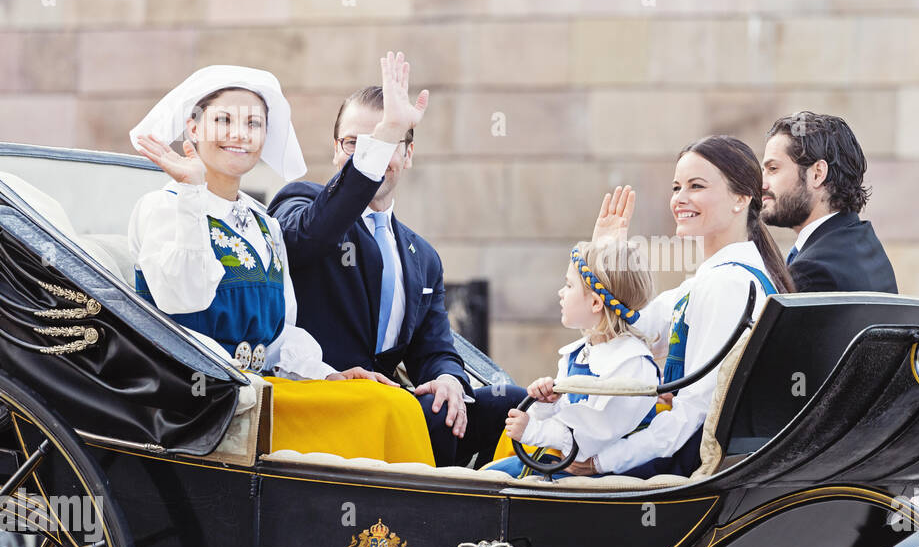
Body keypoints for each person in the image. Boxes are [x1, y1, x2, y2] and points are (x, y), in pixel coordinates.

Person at [128, 63, 435, 464]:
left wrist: (329, 375)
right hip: (199, 407)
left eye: (253, 123)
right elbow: (183, 298)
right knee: (386, 410)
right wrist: (191, 193)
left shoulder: (263, 225)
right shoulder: (163, 208)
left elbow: (280, 335)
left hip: (262, 397)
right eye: (224, 120)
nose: (240, 134)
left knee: (385, 399)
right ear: (194, 127)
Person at [267, 52, 523, 467]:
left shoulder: (421, 256)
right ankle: (436, 522)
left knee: (515, 406)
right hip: (325, 402)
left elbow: (435, 349)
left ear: (408, 154)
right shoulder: (302, 202)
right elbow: (311, 237)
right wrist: (386, 133)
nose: (373, 153)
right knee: (431, 418)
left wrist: (447, 380)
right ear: (337, 151)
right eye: (357, 143)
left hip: (392, 404)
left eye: (388, 142)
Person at [585, 135, 796, 479]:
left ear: (741, 198)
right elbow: (625, 329)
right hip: (674, 452)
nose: (680, 199)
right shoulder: (710, 281)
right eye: (676, 187)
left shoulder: (728, 285)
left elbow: (693, 415)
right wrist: (605, 254)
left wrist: (601, 463)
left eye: (696, 186)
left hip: (682, 469)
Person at [486, 239, 659, 479]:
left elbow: (597, 433)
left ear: (596, 302)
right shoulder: (577, 353)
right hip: (568, 464)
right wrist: (549, 404)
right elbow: (566, 414)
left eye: (568, 285)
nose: (560, 292)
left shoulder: (632, 362)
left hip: (607, 474)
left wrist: (534, 430)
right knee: (492, 473)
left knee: (501, 481)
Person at [760, 111, 898, 294]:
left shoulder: (813, 271)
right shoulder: (866, 244)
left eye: (773, 169)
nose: (762, 184)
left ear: (817, 174)